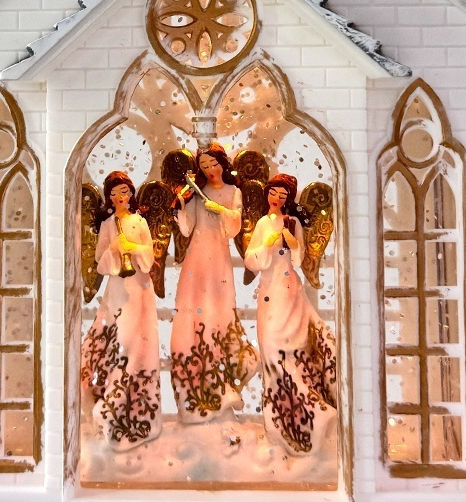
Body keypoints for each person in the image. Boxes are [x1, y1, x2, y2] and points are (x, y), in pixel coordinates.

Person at [244, 174, 337, 456]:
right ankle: (284, 419)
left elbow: (299, 258)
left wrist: (293, 243)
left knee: (290, 348)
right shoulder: (263, 223)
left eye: (283, 196)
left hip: (289, 289)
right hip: (269, 291)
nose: (277, 199)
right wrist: (267, 244)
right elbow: (251, 260)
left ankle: (311, 408)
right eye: (273, 193)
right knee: (271, 348)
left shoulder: (293, 222)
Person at [171, 143, 258, 422]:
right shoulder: (197, 191)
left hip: (218, 258)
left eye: (213, 164)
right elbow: (187, 229)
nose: (210, 170)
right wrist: (181, 207)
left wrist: (220, 209)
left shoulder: (233, 192)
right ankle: (195, 376)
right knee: (194, 310)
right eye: (204, 166)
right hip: (196, 258)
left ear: (223, 164)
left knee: (218, 309)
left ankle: (222, 375)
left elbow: (234, 227)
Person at [80, 171, 162, 450]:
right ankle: (109, 399)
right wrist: (114, 248)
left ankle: (137, 410)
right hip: (117, 289)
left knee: (137, 343)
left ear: (131, 194)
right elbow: (100, 262)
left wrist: (135, 248)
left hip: (139, 289)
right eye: (114, 194)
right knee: (118, 340)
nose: (119, 198)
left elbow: (149, 256)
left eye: (124, 193)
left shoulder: (139, 222)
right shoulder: (107, 224)